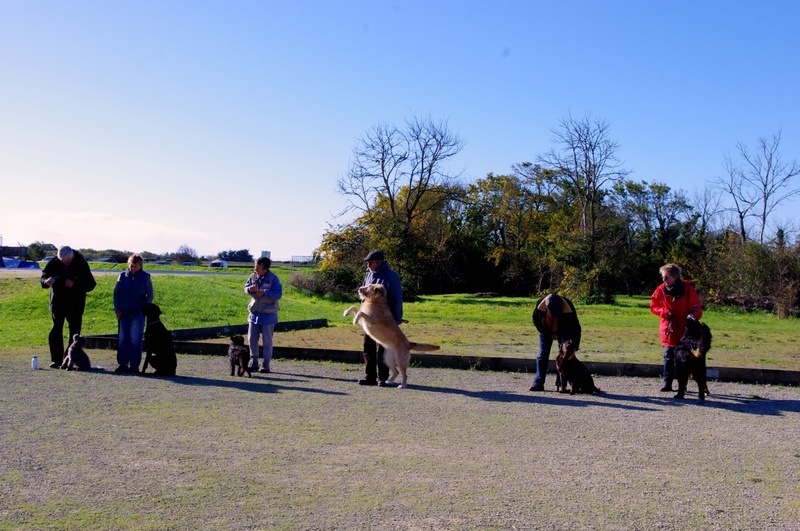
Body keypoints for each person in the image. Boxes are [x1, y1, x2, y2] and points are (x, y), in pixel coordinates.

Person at [40, 246, 97, 368]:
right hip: (58, 302)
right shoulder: (53, 262)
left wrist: (75, 284)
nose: (64, 263)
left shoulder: (81, 263)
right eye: (62, 262)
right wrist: (46, 281)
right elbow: (43, 276)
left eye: (67, 261)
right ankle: (56, 360)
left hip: (75, 304)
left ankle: (70, 359)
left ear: (72, 257)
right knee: (56, 330)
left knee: (75, 332)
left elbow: (91, 284)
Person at [650, 263, 703, 392]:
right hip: (669, 329)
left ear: (675, 277)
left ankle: (682, 386)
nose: (664, 280)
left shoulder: (688, 289)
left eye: (666, 277)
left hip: (685, 331)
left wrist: (691, 316)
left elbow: (697, 309)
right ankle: (667, 384)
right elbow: (653, 306)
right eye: (663, 277)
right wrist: (664, 312)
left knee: (683, 360)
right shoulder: (660, 290)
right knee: (668, 358)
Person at [358, 250, 403, 387]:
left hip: (384, 320)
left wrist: (397, 318)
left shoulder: (391, 276)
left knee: (383, 348)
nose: (368, 266)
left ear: (379, 262)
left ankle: (383, 377)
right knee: (368, 347)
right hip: (369, 319)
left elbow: (396, 298)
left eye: (370, 263)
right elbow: (364, 298)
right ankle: (370, 376)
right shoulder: (369, 276)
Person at [529, 292, 582, 391]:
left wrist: (575, 346)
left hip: (564, 330)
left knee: (565, 356)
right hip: (546, 331)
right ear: (546, 307)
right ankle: (538, 382)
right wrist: (549, 334)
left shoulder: (568, 305)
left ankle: (561, 384)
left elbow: (575, 327)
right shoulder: (540, 304)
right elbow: (537, 321)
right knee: (542, 354)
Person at [113, 254, 154, 373]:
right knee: (122, 339)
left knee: (135, 339)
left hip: (138, 313)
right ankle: (122, 363)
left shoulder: (145, 277)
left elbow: (150, 295)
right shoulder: (122, 276)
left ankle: (134, 365)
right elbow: (116, 294)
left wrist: (143, 308)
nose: (132, 268)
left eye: (135, 266)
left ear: (140, 266)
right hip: (123, 313)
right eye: (131, 266)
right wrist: (117, 309)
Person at [245, 256, 283, 373]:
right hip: (254, 313)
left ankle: (266, 364)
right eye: (254, 266)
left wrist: (265, 292)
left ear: (265, 268)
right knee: (251, 339)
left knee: (267, 341)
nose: (255, 269)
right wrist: (248, 290)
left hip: (268, 315)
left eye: (257, 267)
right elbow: (245, 288)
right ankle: (254, 362)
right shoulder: (253, 276)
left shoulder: (273, 279)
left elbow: (278, 294)